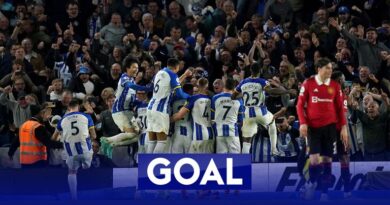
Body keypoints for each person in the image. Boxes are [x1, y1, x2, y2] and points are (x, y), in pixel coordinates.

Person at [296, 58, 348, 200]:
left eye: (331, 68)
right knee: (314, 160)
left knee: (327, 161)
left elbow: (340, 109)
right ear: (319, 68)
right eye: (327, 68)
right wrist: (302, 123)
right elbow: (299, 105)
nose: (330, 71)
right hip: (313, 128)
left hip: (330, 128)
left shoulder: (335, 86)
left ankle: (324, 193)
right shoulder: (308, 84)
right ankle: (311, 183)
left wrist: (343, 127)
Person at [232, 62, 285, 155]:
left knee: (246, 140)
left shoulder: (243, 82)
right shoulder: (262, 81)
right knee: (272, 121)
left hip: (247, 113)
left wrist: (244, 94)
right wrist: (285, 90)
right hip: (260, 111)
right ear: (260, 71)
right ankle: (274, 150)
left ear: (250, 71)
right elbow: (270, 91)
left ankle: (244, 160)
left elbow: (233, 96)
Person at [52, 99, 97, 200]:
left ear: (68, 108)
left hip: (71, 152)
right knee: (86, 166)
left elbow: (53, 138)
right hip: (85, 150)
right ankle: (85, 165)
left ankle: (74, 197)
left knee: (71, 172)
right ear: (79, 107)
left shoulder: (62, 120)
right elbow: (94, 135)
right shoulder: (86, 116)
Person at [146, 58, 190, 154]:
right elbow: (179, 94)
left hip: (150, 108)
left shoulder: (159, 72)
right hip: (160, 110)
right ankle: (153, 165)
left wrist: (185, 75)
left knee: (152, 141)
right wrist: (190, 97)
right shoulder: (172, 74)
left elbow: (172, 82)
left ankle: (146, 166)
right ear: (176, 67)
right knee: (162, 141)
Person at [8, 102, 63, 168]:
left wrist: (10, 153)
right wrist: (63, 145)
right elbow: (49, 142)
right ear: (40, 113)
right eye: (44, 113)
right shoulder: (38, 127)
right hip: (38, 162)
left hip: (24, 162)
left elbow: (16, 142)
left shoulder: (24, 125)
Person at [172, 78, 214, 153]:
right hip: (211, 134)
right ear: (207, 86)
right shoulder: (211, 99)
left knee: (192, 159)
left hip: (199, 134)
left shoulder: (193, 98)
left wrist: (167, 120)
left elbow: (179, 115)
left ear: (197, 85)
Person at [112, 57, 151, 133]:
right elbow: (130, 85)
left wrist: (144, 103)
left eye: (137, 68)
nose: (136, 69)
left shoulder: (132, 80)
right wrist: (146, 88)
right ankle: (107, 141)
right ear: (127, 68)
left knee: (137, 133)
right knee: (131, 134)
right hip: (119, 111)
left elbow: (132, 100)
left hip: (128, 112)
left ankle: (111, 143)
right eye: (134, 67)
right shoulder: (124, 78)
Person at [211, 78, 244, 153]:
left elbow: (212, 118)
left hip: (219, 133)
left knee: (222, 161)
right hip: (233, 133)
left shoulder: (215, 98)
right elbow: (241, 121)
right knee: (236, 161)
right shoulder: (239, 100)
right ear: (234, 87)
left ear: (224, 86)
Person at [170, 83, 193, 154]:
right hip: (188, 129)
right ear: (191, 91)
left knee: (176, 157)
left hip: (177, 129)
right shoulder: (191, 100)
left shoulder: (173, 100)